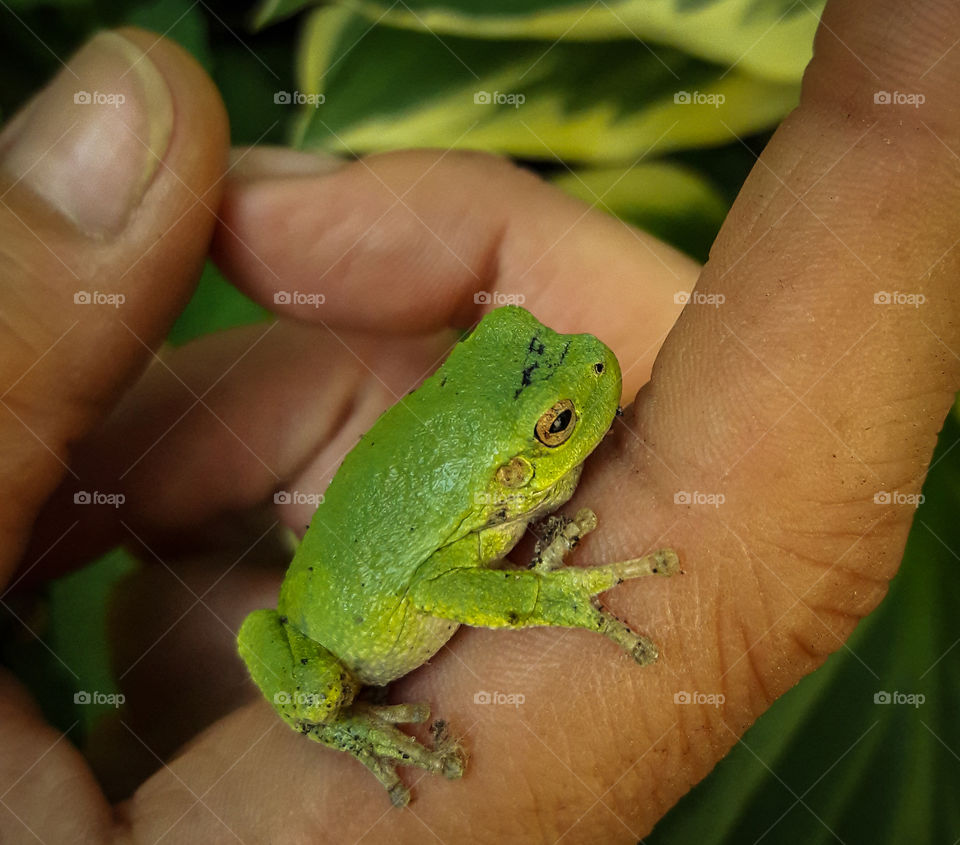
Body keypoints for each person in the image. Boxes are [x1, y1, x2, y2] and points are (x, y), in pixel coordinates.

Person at [0, 2, 956, 840]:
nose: (590, 372)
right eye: (554, 428)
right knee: (324, 686)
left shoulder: (499, 473)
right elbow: (449, 582)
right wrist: (549, 598)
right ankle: (336, 715)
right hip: (333, 639)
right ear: (511, 474)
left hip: (348, 562)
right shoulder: (478, 521)